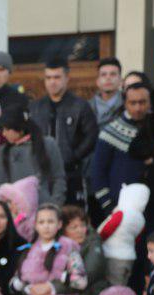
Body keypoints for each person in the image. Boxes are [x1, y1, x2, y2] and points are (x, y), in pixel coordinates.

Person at [31, 59, 98, 205]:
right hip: (42, 174)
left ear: (67, 78)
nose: (52, 82)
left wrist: (73, 157)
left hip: (72, 174)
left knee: (73, 218)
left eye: (57, 77)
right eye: (48, 78)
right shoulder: (36, 107)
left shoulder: (80, 106)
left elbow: (91, 137)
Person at [88, 81, 151, 216]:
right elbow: (98, 173)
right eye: (132, 103)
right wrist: (109, 206)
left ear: (150, 102)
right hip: (120, 209)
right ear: (125, 103)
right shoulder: (110, 132)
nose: (138, 108)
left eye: (142, 102)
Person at [90, 57, 124, 126]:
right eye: (103, 75)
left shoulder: (127, 106)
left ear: (121, 81)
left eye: (113, 74)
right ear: (97, 81)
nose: (108, 78)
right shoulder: (86, 107)